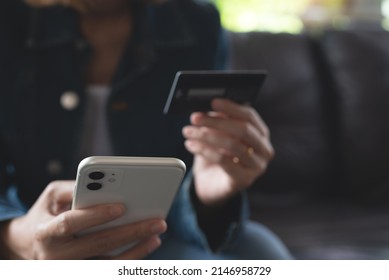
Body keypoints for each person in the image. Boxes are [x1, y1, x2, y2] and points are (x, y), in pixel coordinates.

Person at [0, 0, 292, 259]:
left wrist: (205, 193)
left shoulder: (196, 22)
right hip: (28, 227)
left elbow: (183, 181)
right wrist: (13, 238)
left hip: (155, 231)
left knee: (260, 249)